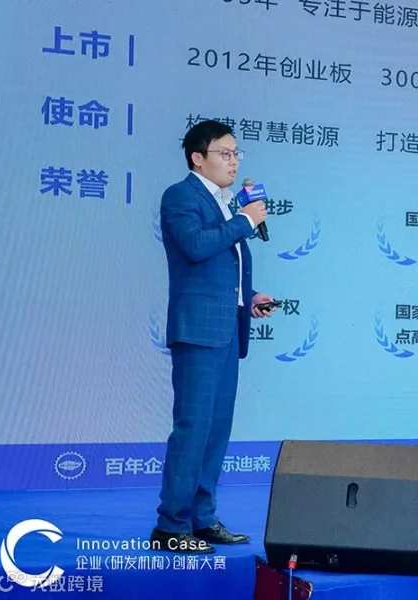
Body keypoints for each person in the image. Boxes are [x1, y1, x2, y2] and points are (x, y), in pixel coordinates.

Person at [151, 120, 275, 554]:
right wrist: (244, 220)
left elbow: (223, 266)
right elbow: (196, 247)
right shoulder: (181, 196)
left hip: (226, 330)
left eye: (237, 153)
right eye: (225, 153)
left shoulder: (225, 203)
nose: (234, 161)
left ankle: (202, 518)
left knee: (217, 430)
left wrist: (249, 298)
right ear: (197, 158)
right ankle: (170, 527)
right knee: (193, 428)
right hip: (199, 332)